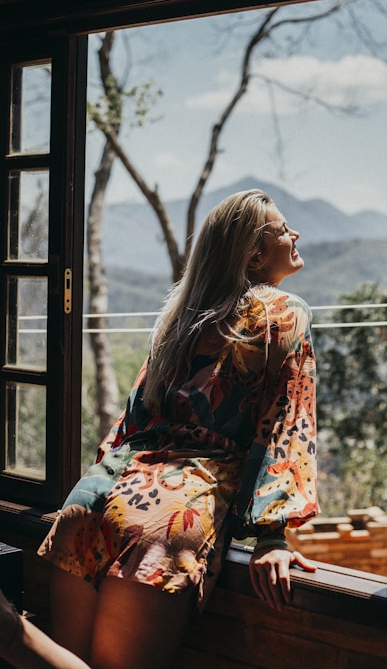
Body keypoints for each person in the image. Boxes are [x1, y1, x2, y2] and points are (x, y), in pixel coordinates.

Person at [1, 189, 319, 669]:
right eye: (281, 229)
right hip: (173, 508)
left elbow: (134, 417)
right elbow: (286, 423)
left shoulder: (180, 317)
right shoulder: (284, 312)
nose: (294, 234)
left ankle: (13, 637)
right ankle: (9, 635)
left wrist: (99, 484)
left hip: (96, 497)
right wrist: (271, 534)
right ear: (254, 254)